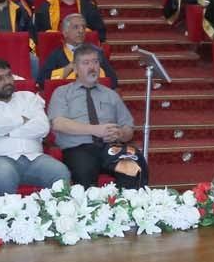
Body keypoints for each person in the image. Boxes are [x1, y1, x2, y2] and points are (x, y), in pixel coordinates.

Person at [48, 45, 146, 188]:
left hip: (110, 147)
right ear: (75, 68)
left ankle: (127, 207)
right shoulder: (62, 93)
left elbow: (128, 128)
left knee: (134, 164)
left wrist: (120, 133)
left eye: (95, 62)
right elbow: (58, 123)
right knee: (85, 171)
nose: (92, 67)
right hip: (78, 148)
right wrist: (95, 130)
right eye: (86, 63)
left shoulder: (110, 94)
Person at [0, 58, 68, 194]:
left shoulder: (28, 97)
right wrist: (22, 119)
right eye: (0, 78)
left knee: (60, 172)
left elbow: (43, 127)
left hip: (34, 158)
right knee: (4, 175)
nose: (7, 81)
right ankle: (3, 215)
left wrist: (7, 132)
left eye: (9, 75)